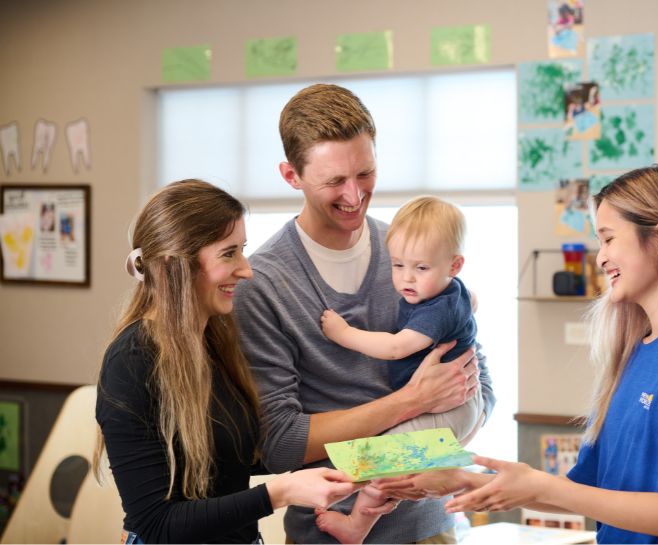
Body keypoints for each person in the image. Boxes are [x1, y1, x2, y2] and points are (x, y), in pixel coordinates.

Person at [377, 165, 658, 544]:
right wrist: (463, 480)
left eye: (609, 239)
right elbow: (586, 491)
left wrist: (541, 485)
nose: (601, 258)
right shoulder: (636, 352)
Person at [233, 83, 495, 544]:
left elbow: (480, 387)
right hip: (323, 535)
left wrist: (424, 456)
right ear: (291, 175)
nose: (354, 195)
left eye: (365, 173)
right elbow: (281, 444)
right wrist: (411, 402)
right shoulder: (262, 284)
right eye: (335, 181)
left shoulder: (414, 251)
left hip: (430, 529)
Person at [94, 180, 357, 544]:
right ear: (175, 265)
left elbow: (231, 459)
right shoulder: (131, 362)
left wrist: (358, 465)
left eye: (242, 250)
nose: (246, 270)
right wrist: (282, 492)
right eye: (229, 254)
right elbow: (156, 524)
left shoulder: (215, 343)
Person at [317, 195, 485, 543]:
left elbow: (396, 347)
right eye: (397, 265)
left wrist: (344, 333)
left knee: (379, 458)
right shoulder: (450, 291)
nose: (406, 278)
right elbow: (472, 300)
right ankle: (382, 495)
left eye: (421, 268)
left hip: (451, 408)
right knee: (391, 466)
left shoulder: (436, 309)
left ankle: (355, 527)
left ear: (454, 265)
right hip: (458, 404)